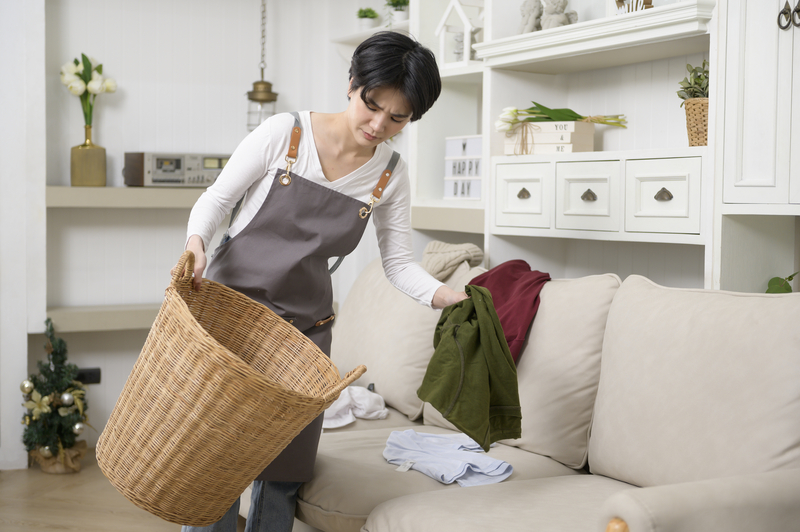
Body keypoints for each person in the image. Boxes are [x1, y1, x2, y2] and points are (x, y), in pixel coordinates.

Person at [178, 31, 468, 532]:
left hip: (302, 332)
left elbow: (398, 263)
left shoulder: (389, 176)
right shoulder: (283, 135)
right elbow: (217, 200)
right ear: (352, 83)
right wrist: (196, 241)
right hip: (230, 320)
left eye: (398, 118)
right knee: (215, 457)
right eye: (372, 105)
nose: (378, 125)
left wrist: (447, 296)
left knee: (285, 466)